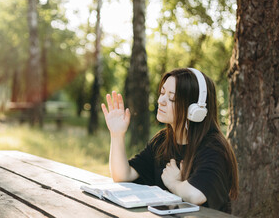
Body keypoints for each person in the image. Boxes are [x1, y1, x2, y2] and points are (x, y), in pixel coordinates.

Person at [101, 68, 239, 213]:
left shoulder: (214, 148)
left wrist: (174, 183)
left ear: (195, 109)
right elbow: (122, 175)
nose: (161, 101)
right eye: (162, 93)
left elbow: (196, 195)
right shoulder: (162, 140)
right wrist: (117, 134)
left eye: (171, 98)